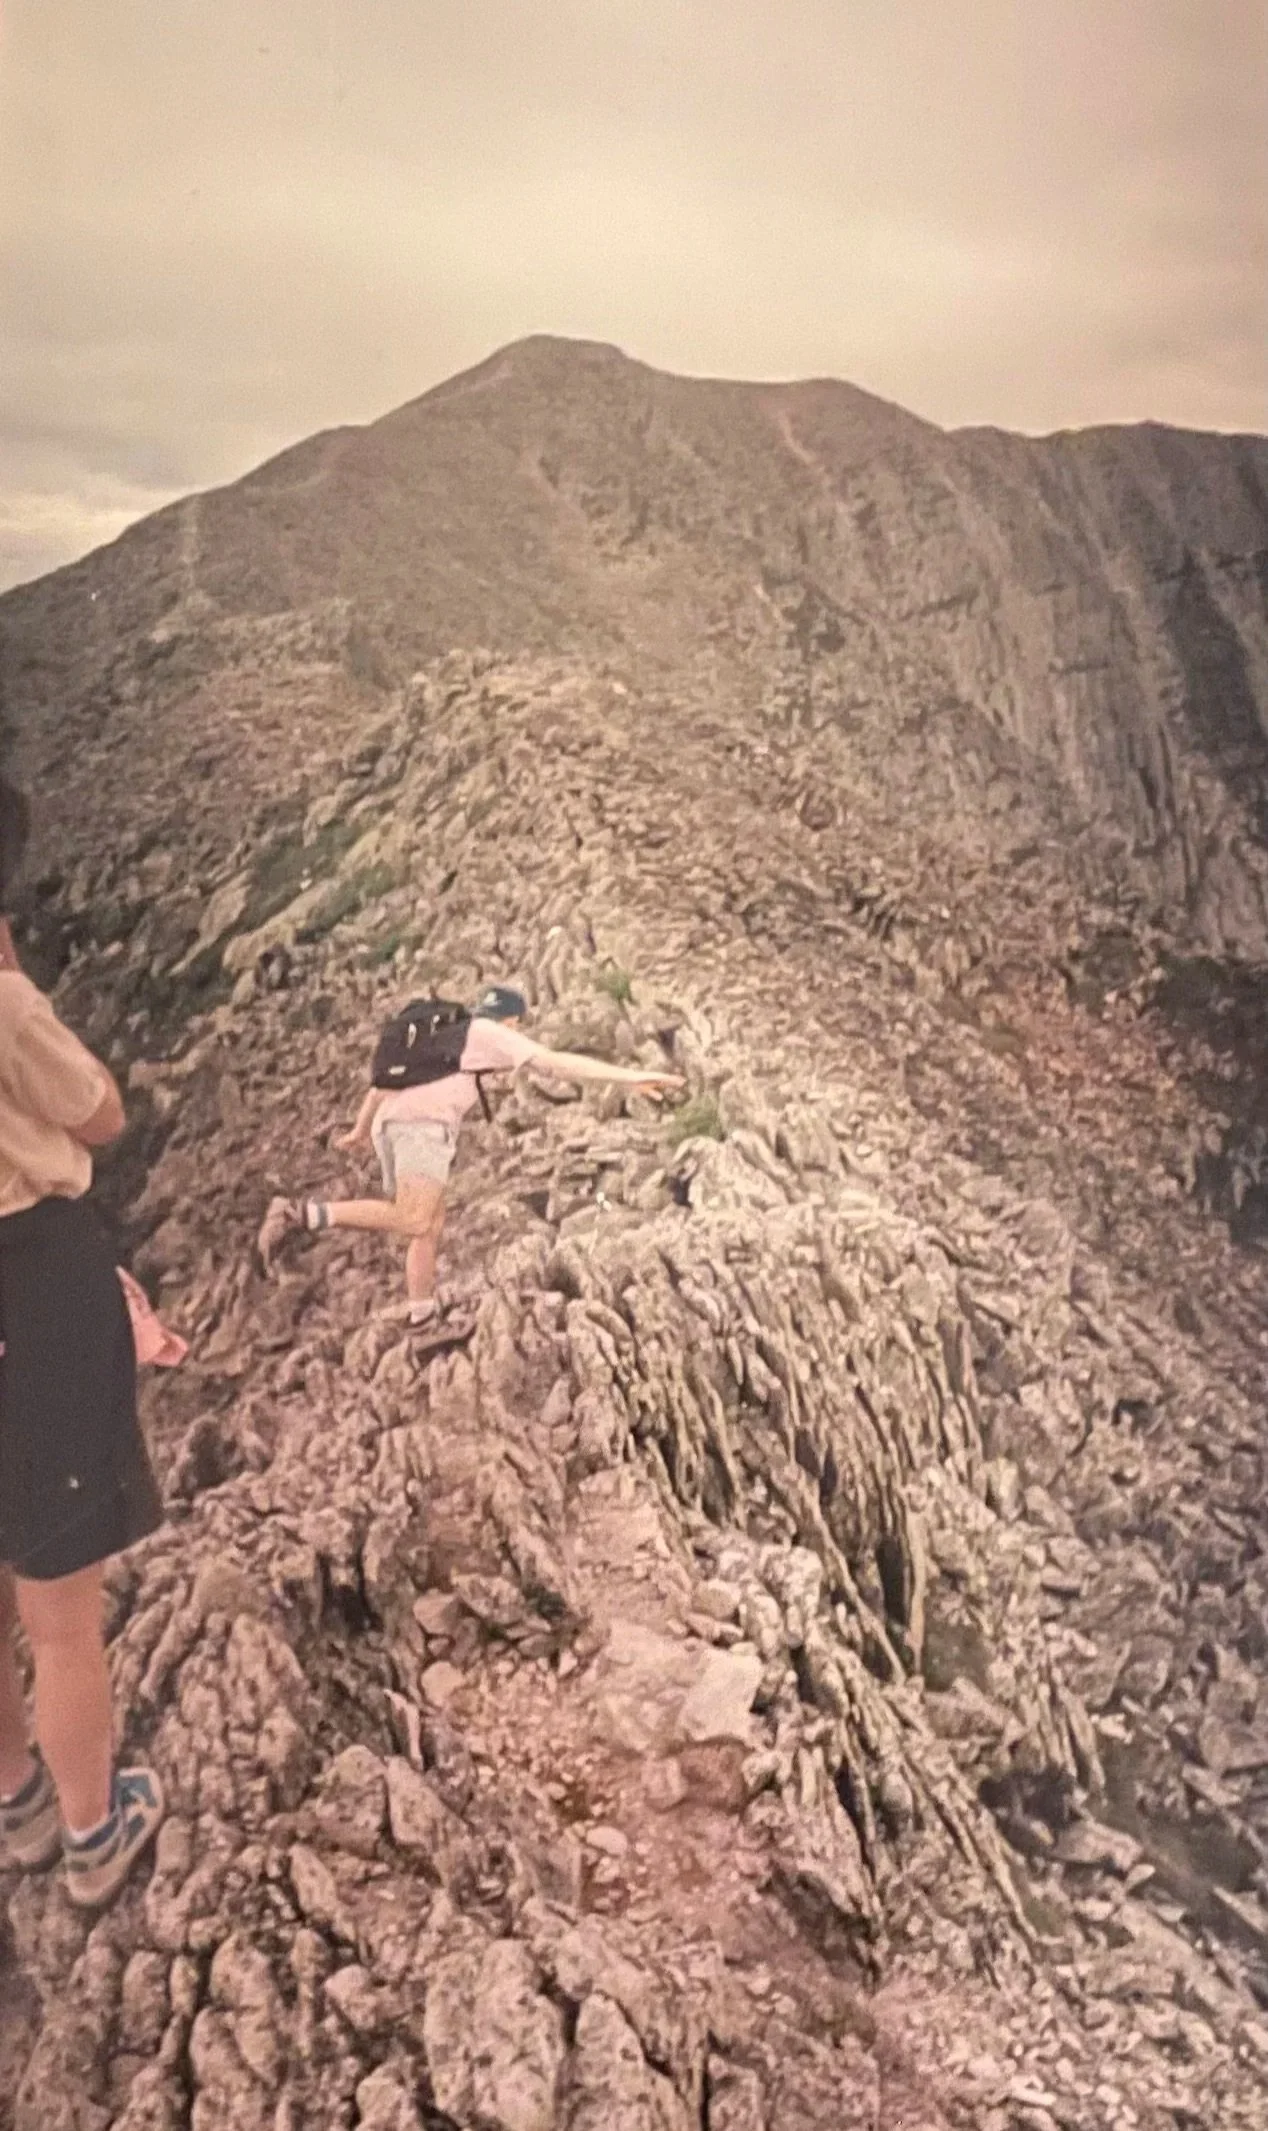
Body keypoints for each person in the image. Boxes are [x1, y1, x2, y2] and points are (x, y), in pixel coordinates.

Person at [0, 776, 165, 1911]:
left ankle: (12, 1802)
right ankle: (94, 1831)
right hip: (31, 1278)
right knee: (60, 1609)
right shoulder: (0, 1003)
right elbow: (99, 1113)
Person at [257, 983, 684, 1324]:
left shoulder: (446, 1039)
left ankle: (421, 1317)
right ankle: (300, 1214)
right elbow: (553, 1063)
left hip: (402, 1123)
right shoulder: (488, 1034)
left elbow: (383, 1084)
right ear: (512, 1019)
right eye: (518, 1024)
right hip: (421, 1127)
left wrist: (361, 1129)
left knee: (429, 1225)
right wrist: (631, 1078)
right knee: (413, 1217)